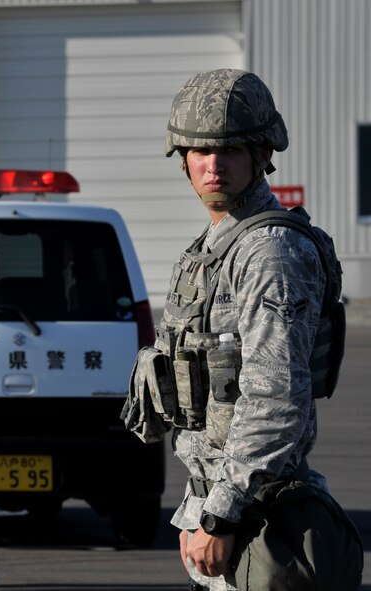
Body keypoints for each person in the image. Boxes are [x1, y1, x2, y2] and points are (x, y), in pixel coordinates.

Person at [127, 69, 362, 590]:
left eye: (231, 150)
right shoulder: (213, 247)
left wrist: (221, 515)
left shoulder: (270, 253)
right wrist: (199, 509)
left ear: (262, 154)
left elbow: (275, 398)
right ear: (182, 157)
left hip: (257, 510)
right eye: (200, 150)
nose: (213, 166)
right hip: (217, 500)